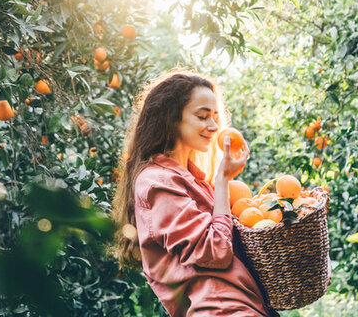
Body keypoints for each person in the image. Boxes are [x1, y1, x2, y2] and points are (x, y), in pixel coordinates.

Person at [111, 69, 278, 316]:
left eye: (215, 117)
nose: (213, 126)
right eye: (202, 116)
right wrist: (222, 180)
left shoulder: (190, 179)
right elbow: (217, 250)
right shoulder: (158, 182)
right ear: (171, 119)